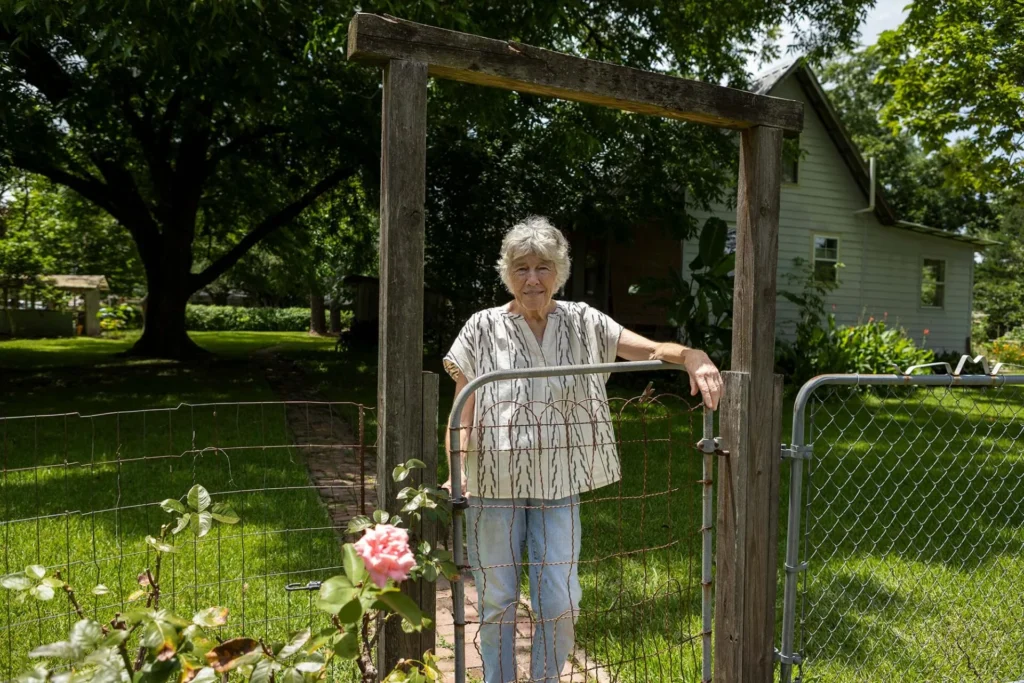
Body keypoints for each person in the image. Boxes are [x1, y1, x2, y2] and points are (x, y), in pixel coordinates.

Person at [442, 216, 723, 683]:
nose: (533, 278)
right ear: (506, 273)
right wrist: (456, 467)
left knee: (559, 599)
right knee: (496, 601)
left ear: (561, 271)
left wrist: (693, 356)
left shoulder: (583, 320)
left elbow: (651, 349)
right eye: (522, 267)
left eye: (544, 267)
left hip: (558, 483)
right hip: (493, 483)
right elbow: (464, 405)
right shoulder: (482, 327)